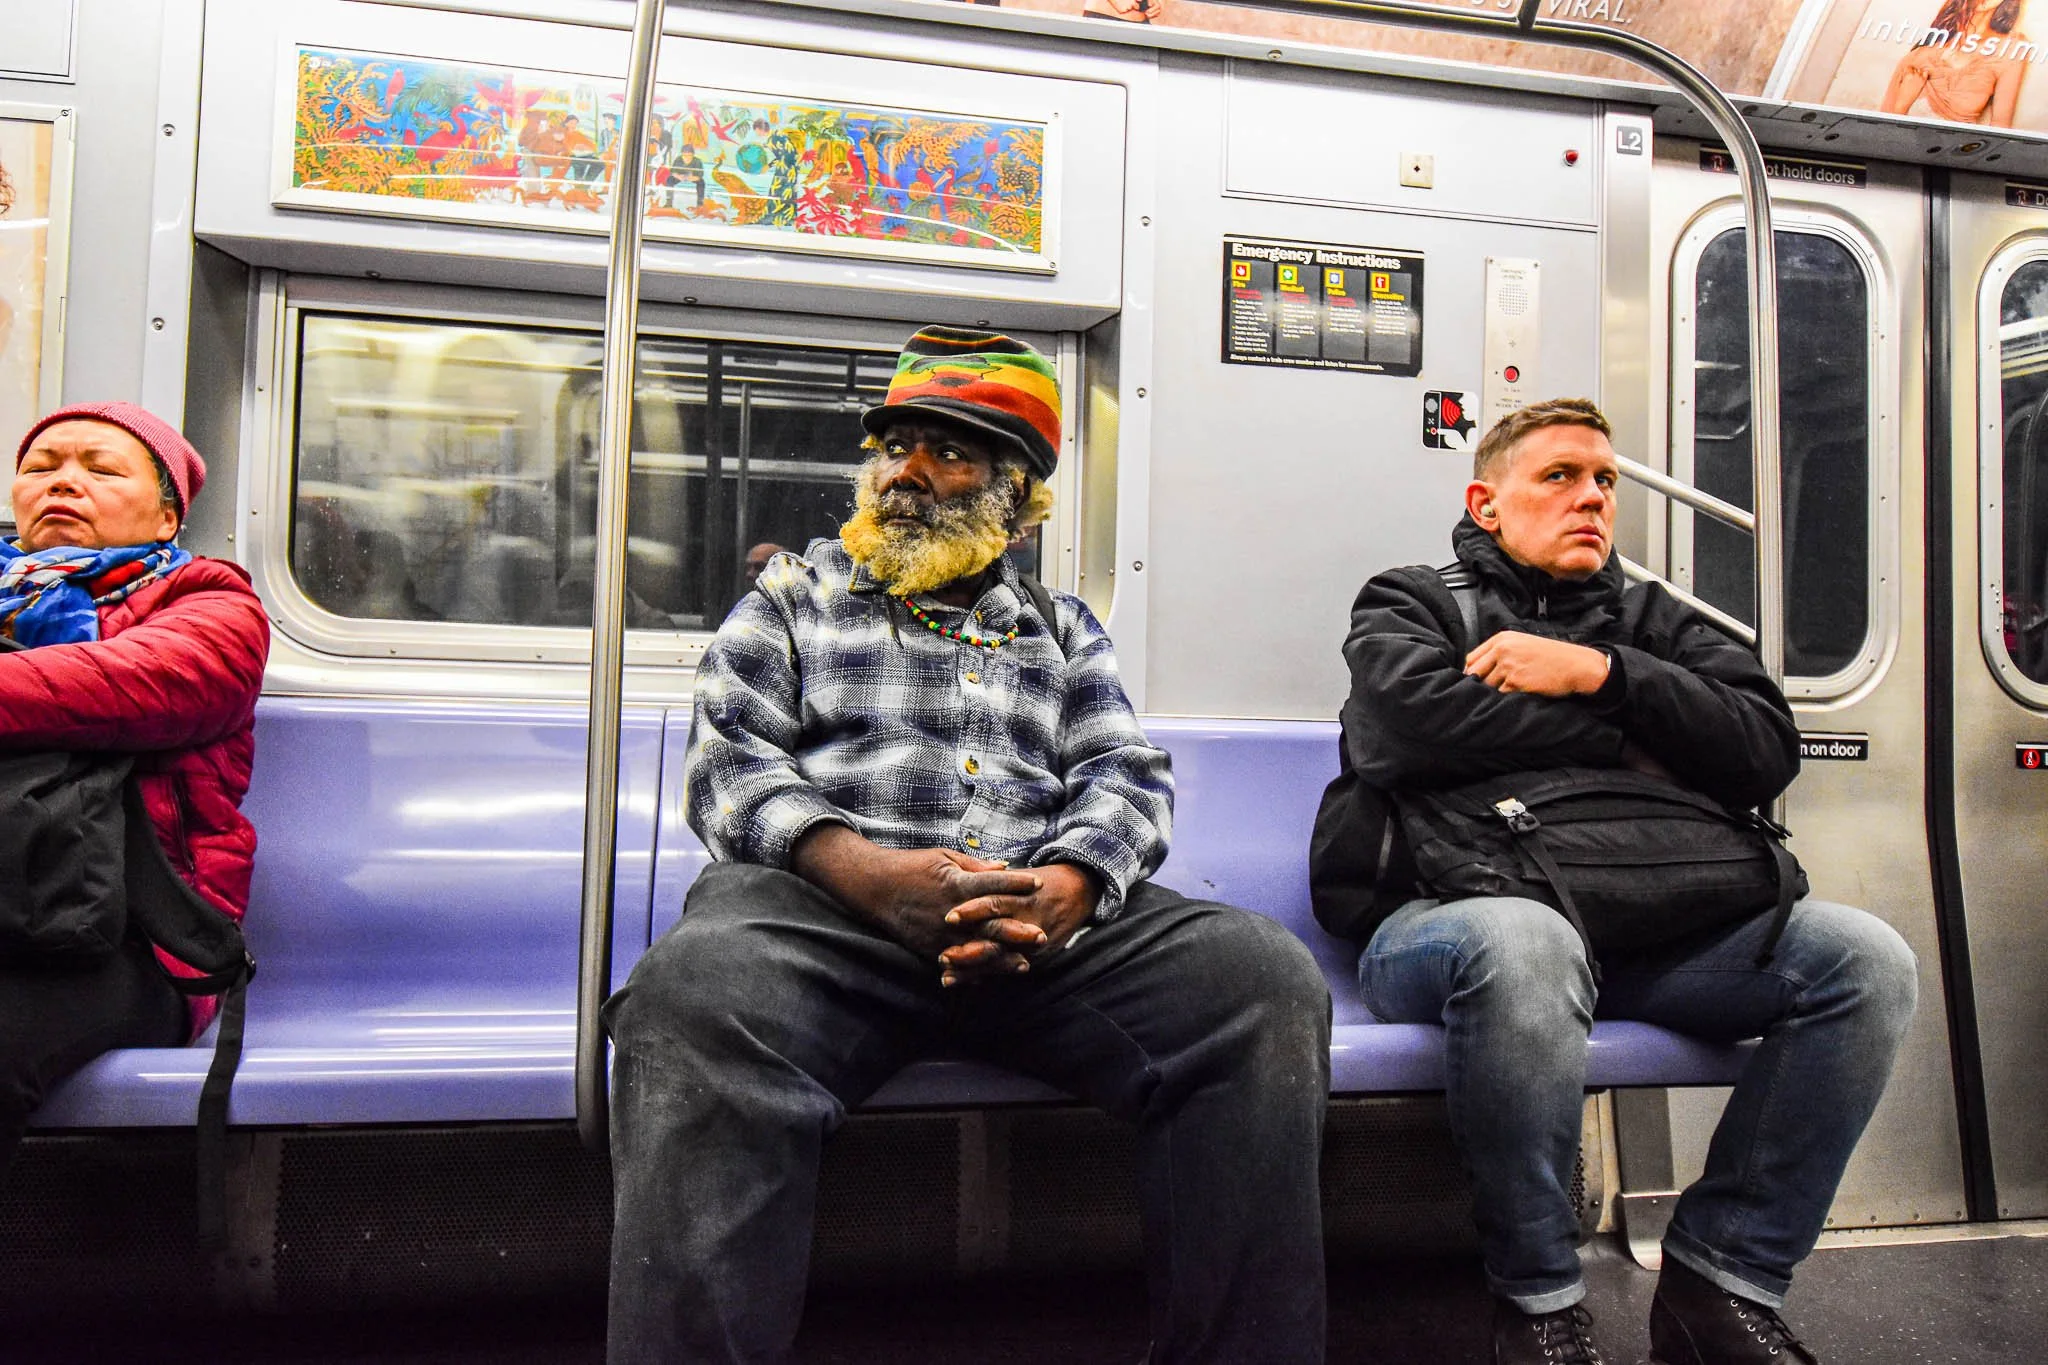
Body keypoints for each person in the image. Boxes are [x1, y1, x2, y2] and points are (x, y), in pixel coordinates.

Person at [604, 326, 1331, 1365]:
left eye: (947, 453)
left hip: (1037, 931)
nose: (906, 471)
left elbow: (1127, 774)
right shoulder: (793, 599)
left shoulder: (1061, 626)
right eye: (894, 446)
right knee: (696, 995)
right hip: (826, 920)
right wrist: (869, 877)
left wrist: (1068, 885)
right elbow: (729, 763)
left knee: (1258, 980)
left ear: (1015, 496)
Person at [1332, 399, 1917, 1365]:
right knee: (1528, 941)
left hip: (1648, 934)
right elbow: (1403, 731)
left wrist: (1597, 673)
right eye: (1559, 476)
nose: (1593, 498)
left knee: (1864, 961)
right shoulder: (1414, 602)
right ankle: (1539, 1301)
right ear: (1486, 503)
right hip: (1446, 923)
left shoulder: (1654, 622)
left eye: (1605, 479)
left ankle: (1721, 1283)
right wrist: (1631, 738)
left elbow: (1765, 747)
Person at [0, 402, 270, 1171]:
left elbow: (117, 686)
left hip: (135, 938)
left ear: (166, 518)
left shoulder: (214, 607)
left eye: (101, 469)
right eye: (42, 466)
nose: (63, 482)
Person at [1882, 0, 2030, 127]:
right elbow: (1883, 128)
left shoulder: (2012, 48)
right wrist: (1902, 106)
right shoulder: (1919, 56)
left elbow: (2000, 127)